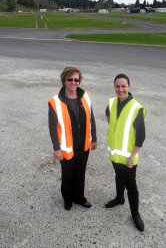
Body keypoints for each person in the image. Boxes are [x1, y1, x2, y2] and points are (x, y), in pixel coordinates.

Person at [48, 66, 97, 210]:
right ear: (64, 80)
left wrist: (94, 138)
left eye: (76, 80)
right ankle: (67, 199)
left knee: (80, 172)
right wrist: (56, 148)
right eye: (70, 79)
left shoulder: (85, 96)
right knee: (68, 174)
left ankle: (79, 197)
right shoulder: (55, 101)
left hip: (83, 144)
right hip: (66, 146)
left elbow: (91, 117)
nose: (73, 83)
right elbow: (52, 127)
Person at [105, 73, 146, 232]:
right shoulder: (111, 102)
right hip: (115, 154)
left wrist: (132, 156)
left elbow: (141, 137)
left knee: (131, 186)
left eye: (123, 86)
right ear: (114, 87)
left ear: (129, 87)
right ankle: (119, 198)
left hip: (129, 157)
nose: (120, 89)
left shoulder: (136, 108)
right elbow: (108, 116)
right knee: (118, 176)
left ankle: (135, 214)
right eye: (117, 86)